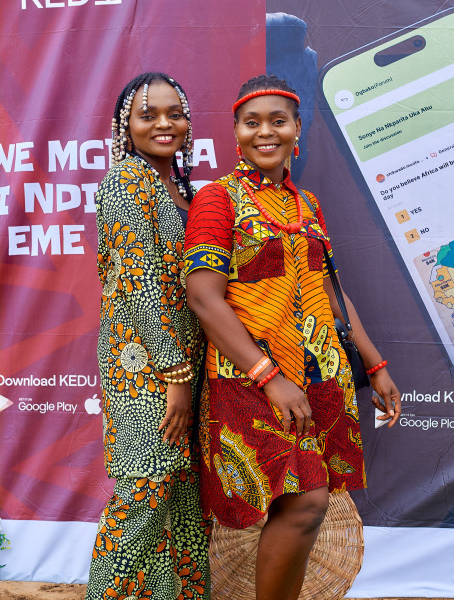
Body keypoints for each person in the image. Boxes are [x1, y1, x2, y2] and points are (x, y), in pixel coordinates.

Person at [184, 74, 400, 600]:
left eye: (278, 121)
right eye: (252, 122)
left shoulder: (307, 204)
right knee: (303, 503)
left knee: (304, 503)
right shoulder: (218, 201)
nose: (266, 132)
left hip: (321, 375)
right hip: (253, 378)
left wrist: (374, 364)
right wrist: (270, 377)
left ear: (296, 129)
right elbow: (204, 299)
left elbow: (331, 291)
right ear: (235, 132)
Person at [85, 72, 210, 600]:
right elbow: (139, 290)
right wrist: (176, 376)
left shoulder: (179, 190)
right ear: (125, 126)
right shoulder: (125, 183)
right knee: (144, 492)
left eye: (174, 113)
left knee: (181, 501)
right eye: (148, 114)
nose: (164, 123)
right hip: (143, 368)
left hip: (183, 363)